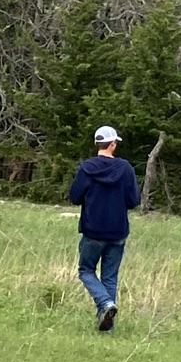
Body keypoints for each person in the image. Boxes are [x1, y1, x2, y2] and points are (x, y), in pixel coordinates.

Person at [69, 125, 141, 332]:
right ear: (113, 144)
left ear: (96, 143)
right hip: (118, 231)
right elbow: (133, 200)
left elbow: (75, 197)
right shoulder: (126, 168)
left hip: (93, 230)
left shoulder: (86, 168)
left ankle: (105, 305)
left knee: (86, 270)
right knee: (110, 276)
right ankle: (107, 326)